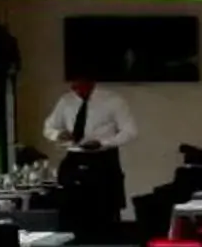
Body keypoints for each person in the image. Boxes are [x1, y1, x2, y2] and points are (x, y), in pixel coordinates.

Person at [41, 71, 138, 238]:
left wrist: (103, 142)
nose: (76, 90)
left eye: (80, 85)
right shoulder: (66, 101)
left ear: (91, 82)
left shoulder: (112, 101)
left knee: (103, 209)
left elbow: (130, 131)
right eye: (74, 86)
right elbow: (48, 127)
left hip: (102, 159)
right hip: (74, 156)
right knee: (71, 206)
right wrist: (58, 135)